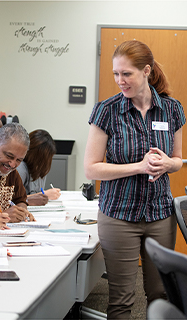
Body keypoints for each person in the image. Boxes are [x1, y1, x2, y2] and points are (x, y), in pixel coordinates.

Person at [84, 40, 186, 319]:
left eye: (126, 74)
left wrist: (168, 164)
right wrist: (139, 167)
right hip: (119, 215)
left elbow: (178, 159)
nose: (120, 81)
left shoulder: (172, 109)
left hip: (160, 215)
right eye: (116, 74)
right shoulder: (107, 110)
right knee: (121, 299)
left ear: (146, 71)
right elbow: (91, 169)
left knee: (162, 294)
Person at [16, 129, 61, 206]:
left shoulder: (39, 168)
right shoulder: (20, 168)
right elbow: (12, 201)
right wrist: (45, 194)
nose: (47, 162)